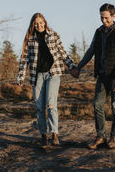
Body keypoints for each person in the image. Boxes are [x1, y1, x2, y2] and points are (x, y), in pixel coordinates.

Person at [70, 3, 115, 149]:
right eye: (102, 17)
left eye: (106, 18)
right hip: (102, 76)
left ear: (113, 16)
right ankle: (101, 136)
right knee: (97, 104)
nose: (104, 21)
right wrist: (79, 67)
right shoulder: (98, 32)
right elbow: (91, 51)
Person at [16, 13, 77, 147]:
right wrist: (20, 76)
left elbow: (62, 52)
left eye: (41, 22)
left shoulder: (53, 35)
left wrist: (71, 65)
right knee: (39, 107)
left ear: (45, 22)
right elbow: (24, 60)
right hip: (37, 76)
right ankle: (44, 135)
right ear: (33, 25)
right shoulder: (30, 39)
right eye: (36, 23)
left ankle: (55, 134)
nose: (39, 25)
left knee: (50, 104)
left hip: (53, 73)